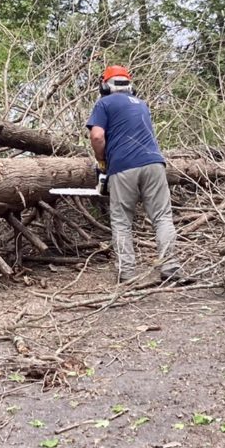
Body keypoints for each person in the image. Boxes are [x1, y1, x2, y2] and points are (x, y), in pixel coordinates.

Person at [86, 64, 180, 286]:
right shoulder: (142, 105)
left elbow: (97, 136)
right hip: (155, 163)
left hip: (123, 166)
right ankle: (171, 267)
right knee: (162, 217)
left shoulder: (104, 103)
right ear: (129, 85)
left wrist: (102, 161)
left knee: (121, 220)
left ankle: (127, 274)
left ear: (105, 85)